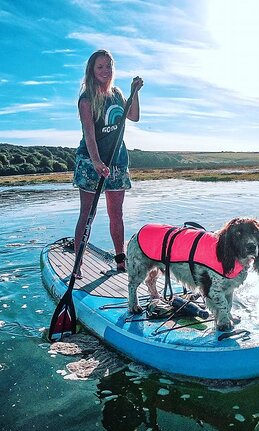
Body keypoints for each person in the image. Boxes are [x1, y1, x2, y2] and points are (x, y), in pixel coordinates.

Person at [72, 49, 143, 277]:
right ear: (92, 71)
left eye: (108, 66)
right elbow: (89, 134)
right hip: (91, 161)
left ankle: (120, 261)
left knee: (117, 214)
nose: (105, 70)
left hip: (117, 160)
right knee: (87, 214)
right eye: (100, 67)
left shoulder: (117, 93)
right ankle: (78, 264)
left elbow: (133, 116)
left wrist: (134, 92)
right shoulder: (86, 99)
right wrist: (96, 161)